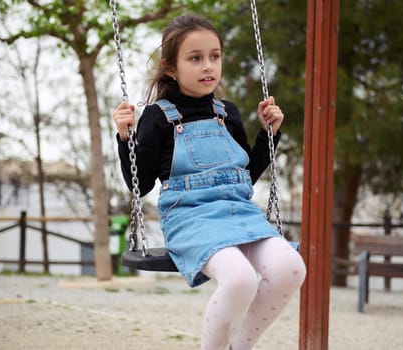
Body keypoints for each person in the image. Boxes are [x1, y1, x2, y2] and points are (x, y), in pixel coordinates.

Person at [113, 14, 306, 350]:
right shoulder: (158, 117)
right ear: (171, 68)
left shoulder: (227, 112)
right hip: (191, 217)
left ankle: (240, 346)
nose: (208, 66)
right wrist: (124, 137)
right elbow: (140, 185)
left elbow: (244, 174)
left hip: (238, 210)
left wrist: (268, 135)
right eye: (195, 58)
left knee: (291, 267)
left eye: (214, 56)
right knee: (240, 279)